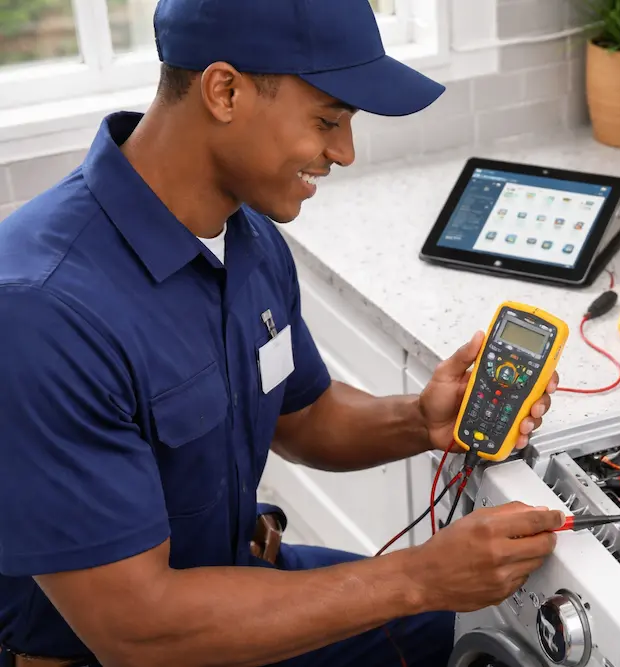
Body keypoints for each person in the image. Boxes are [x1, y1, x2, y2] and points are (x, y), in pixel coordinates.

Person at [0, 0, 566, 665]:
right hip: (128, 647)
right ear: (225, 90)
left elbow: (301, 415)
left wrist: (418, 419)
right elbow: (136, 629)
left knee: (478, 632)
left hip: (245, 577)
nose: (345, 152)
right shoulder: (41, 311)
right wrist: (416, 578)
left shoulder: (246, 235)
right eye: (328, 119)